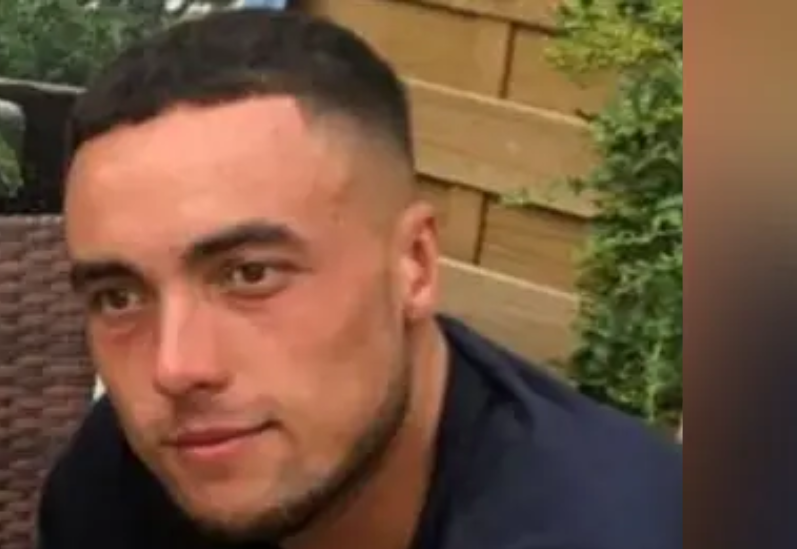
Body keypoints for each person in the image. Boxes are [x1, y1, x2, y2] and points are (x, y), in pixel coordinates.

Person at [38, 8, 682, 549]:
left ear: (416, 266)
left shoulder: (608, 528)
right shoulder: (118, 486)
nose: (175, 367)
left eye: (250, 274)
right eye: (118, 297)